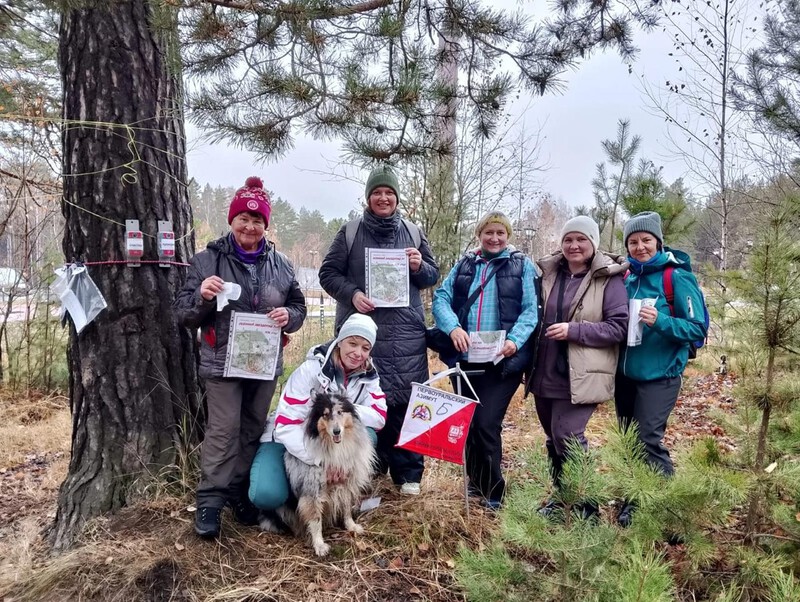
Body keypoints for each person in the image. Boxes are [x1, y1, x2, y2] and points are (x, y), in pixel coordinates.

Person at [174, 176, 307, 539]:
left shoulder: (281, 265)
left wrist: (289, 318)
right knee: (222, 430)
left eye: (257, 220)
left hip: (264, 365)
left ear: (266, 225)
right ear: (232, 221)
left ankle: (238, 492)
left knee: (251, 429)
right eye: (243, 219)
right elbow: (183, 316)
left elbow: (298, 306)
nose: (250, 226)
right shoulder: (207, 260)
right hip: (221, 363)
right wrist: (201, 295)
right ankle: (210, 500)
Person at [319, 165, 439, 495]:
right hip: (362, 332)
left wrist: (419, 266)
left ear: (397, 198)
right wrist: (353, 294)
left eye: (389, 193)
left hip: (405, 335)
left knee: (405, 402)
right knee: (363, 399)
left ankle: (408, 474)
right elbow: (327, 274)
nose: (383, 198)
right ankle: (367, 468)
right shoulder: (351, 232)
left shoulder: (413, 232)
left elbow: (432, 276)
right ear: (368, 197)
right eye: (377, 193)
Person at [431, 211, 539, 509]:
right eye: (488, 232)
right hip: (464, 360)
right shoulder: (465, 264)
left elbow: (531, 310)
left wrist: (514, 341)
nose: (494, 238)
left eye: (500, 233)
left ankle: (494, 492)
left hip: (501, 361)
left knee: (487, 423)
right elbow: (440, 298)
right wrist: (452, 327)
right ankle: (475, 485)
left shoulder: (522, 266)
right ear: (480, 234)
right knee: (468, 423)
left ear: (508, 236)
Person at [527, 216, 629, 519]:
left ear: (593, 243)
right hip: (544, 370)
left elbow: (618, 328)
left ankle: (587, 506)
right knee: (553, 437)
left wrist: (575, 330)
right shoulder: (548, 274)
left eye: (581, 239)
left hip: (582, 374)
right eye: (568, 239)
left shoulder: (608, 279)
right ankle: (563, 501)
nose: (574, 245)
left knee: (568, 435)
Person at [615, 211, 707, 526]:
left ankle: (669, 512)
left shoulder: (675, 277)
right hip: (625, 375)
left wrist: (662, 321)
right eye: (633, 241)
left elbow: (697, 330)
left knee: (648, 440)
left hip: (661, 375)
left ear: (658, 241)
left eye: (646, 240)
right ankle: (634, 501)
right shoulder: (625, 276)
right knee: (628, 440)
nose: (640, 247)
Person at [249, 314, 387, 510]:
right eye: (352, 343)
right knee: (266, 495)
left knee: (368, 435)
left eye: (365, 348)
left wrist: (343, 407)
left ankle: (340, 498)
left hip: (331, 441)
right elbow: (286, 426)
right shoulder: (311, 370)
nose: (358, 353)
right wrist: (323, 462)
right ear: (340, 342)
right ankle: (296, 495)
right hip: (289, 439)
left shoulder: (369, 375)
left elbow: (379, 417)